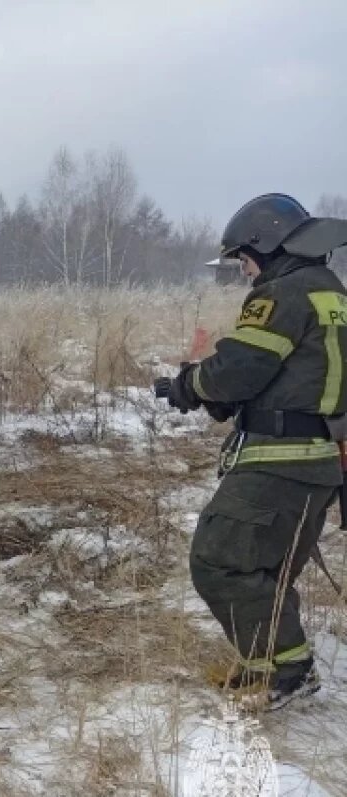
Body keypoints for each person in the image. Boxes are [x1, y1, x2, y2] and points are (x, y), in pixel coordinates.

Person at [166, 193, 347, 711]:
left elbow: (239, 371)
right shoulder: (332, 294)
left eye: (245, 259)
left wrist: (190, 382)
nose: (246, 272)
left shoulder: (284, 294)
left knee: (219, 559)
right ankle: (266, 662)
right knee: (267, 568)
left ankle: (288, 671)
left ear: (267, 244)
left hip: (281, 458)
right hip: (320, 460)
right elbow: (296, 375)